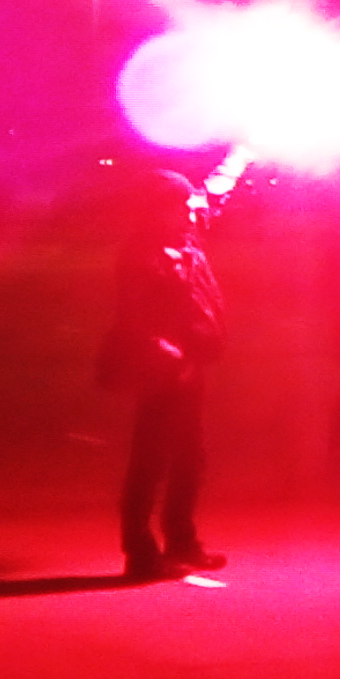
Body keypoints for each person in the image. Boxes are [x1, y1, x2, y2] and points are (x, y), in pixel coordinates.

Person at [101, 169, 224, 581]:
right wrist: (164, 351)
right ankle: (140, 551)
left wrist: (244, 156)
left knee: (191, 458)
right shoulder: (143, 254)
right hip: (162, 368)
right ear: (158, 209)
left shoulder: (184, 240)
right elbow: (133, 314)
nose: (187, 212)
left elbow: (210, 199)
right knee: (150, 460)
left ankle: (181, 540)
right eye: (178, 205)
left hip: (190, 362)